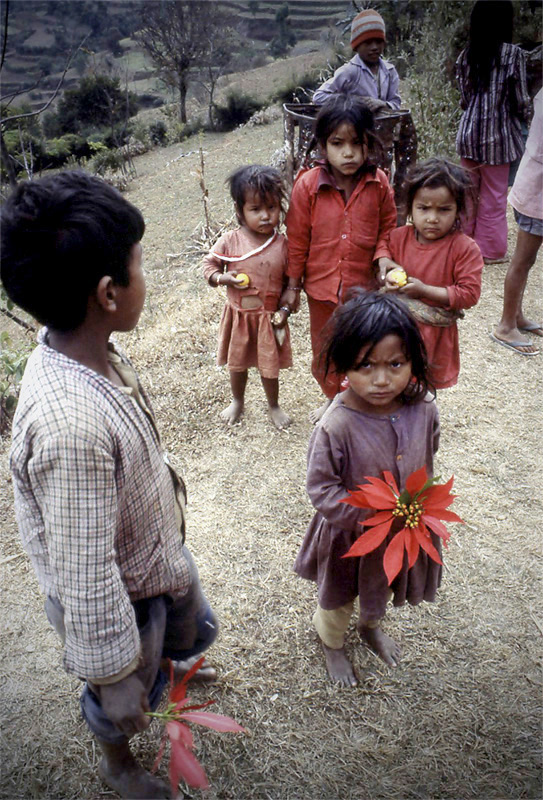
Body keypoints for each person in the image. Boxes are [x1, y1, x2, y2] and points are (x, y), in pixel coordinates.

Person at [1, 171, 218, 800]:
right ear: (109, 293)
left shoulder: (83, 347)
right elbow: (85, 569)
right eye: (139, 263)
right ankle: (118, 762)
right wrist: (113, 671)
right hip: (118, 598)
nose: (144, 275)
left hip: (152, 559)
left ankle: (165, 672)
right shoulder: (70, 429)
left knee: (178, 628)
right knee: (123, 686)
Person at [294, 290, 440, 688]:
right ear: (343, 366)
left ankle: (371, 625)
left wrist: (414, 510)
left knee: (384, 584)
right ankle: (332, 642)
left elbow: (428, 456)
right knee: (338, 596)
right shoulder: (335, 424)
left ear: (413, 361)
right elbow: (321, 489)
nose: (381, 379)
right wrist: (368, 519)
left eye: (395, 364)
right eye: (365, 365)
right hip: (348, 536)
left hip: (402, 532)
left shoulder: (424, 409)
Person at [284, 94, 397, 421]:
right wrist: (292, 286)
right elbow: (297, 239)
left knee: (364, 348)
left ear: (369, 143)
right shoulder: (307, 186)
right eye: (337, 143)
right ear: (322, 145)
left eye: (356, 143)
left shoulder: (379, 183)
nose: (348, 153)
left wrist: (384, 257)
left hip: (364, 290)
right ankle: (333, 397)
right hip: (321, 291)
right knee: (325, 350)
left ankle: (359, 398)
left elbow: (388, 227)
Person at [375, 158, 483, 389]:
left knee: (422, 389)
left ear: (458, 210)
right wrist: (385, 266)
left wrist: (424, 290)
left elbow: (469, 294)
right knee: (391, 383)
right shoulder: (399, 237)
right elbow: (383, 247)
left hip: (432, 337)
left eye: (444, 210)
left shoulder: (464, 248)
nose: (432, 218)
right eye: (423, 208)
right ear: (411, 206)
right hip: (395, 329)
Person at [203, 165, 292, 430]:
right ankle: (237, 400)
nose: (265, 216)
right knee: (237, 364)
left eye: (272, 208)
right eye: (256, 210)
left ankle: (273, 405)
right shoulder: (230, 241)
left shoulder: (283, 245)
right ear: (240, 211)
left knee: (269, 366)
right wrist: (223, 278)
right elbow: (209, 265)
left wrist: (285, 310)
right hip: (238, 318)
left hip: (268, 320)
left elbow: (291, 283)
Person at [455, 0, 532, 263]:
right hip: (498, 137)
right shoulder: (513, 55)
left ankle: (461, 245)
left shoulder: (466, 54)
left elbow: (464, 98)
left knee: (467, 193)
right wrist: (528, 120)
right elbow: (521, 99)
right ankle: (489, 251)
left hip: (468, 135)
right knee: (494, 195)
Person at [491, 87, 543, 356]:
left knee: (528, 261)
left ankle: (517, 316)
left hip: (535, 192)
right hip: (537, 195)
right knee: (522, 260)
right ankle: (506, 324)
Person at [313, 9, 401, 112]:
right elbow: (319, 97)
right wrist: (353, 101)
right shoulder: (350, 71)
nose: (374, 47)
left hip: (385, 126)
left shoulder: (389, 71)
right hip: (356, 126)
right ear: (357, 46)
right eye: (367, 43)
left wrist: (383, 104)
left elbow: (396, 104)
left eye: (378, 42)